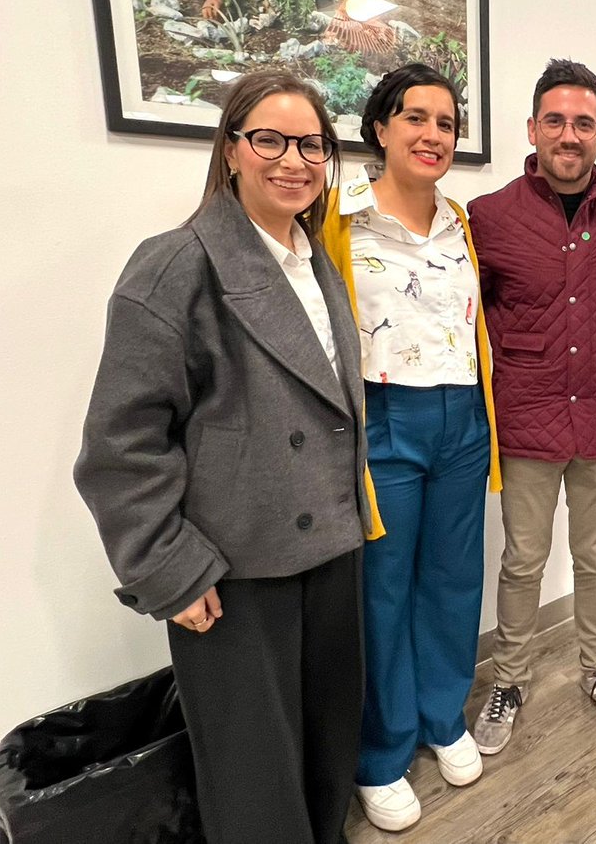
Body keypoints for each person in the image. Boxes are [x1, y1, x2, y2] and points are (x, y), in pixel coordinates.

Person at [74, 71, 376, 844]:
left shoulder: (315, 260)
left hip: (330, 550)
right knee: (253, 776)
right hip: (234, 569)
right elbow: (120, 443)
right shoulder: (176, 264)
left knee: (325, 743)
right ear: (232, 149)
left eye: (311, 143)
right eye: (269, 139)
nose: (294, 160)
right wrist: (168, 567)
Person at [322, 63, 500, 833]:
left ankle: (441, 714)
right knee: (383, 589)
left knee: (455, 577)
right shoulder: (338, 217)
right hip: (383, 416)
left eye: (447, 123)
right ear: (381, 127)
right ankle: (382, 752)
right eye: (416, 118)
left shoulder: (460, 219)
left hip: (463, 414)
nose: (433, 135)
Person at [467, 59, 596, 755]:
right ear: (532, 129)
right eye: (556, 121)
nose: (569, 134)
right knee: (523, 559)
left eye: (582, 123)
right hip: (527, 417)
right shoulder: (489, 217)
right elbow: (468, 321)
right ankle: (510, 679)